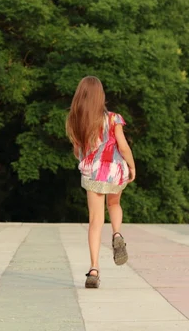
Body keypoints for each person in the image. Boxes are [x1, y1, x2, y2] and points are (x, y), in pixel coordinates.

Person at [65, 76, 136, 289]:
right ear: (100, 96)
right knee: (114, 204)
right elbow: (122, 147)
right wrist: (131, 166)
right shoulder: (114, 119)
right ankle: (117, 233)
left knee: (95, 221)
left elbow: (78, 150)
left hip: (93, 174)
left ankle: (94, 270)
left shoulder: (76, 120)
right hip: (114, 170)